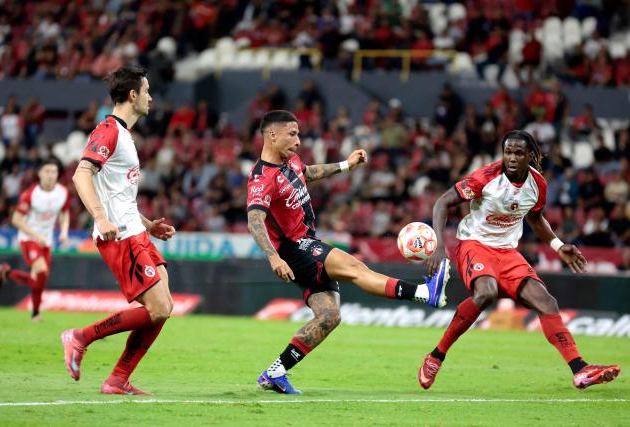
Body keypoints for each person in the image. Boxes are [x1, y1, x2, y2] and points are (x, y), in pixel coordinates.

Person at [247, 110, 451, 394]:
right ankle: (425, 293)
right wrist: (273, 256)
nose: (298, 140)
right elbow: (254, 219)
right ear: (272, 135)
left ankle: (275, 372)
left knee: (329, 317)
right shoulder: (261, 178)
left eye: (298, 133)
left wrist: (346, 165)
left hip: (306, 243)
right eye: (292, 134)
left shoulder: (291, 161)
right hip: (294, 249)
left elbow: (308, 173)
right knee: (356, 269)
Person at [419, 130, 621, 391]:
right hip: (474, 245)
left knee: (547, 302)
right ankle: (436, 356)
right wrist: (438, 245)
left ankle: (580, 369)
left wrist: (558, 245)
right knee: (486, 293)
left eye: (518, 153)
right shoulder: (485, 178)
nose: (512, 157)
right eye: (508, 152)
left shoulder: (538, 184)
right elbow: (442, 203)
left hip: (507, 252)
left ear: (530, 156)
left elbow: (535, 219)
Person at [60, 66, 176, 395]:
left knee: (163, 307)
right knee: (158, 308)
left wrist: (149, 224)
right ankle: (80, 336)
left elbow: (118, 192)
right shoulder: (109, 130)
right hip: (119, 235)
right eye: (147, 90)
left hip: (134, 230)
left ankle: (117, 380)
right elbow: (81, 175)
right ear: (133, 95)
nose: (152, 97)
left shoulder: (124, 135)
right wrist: (100, 217)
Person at [0, 159, 70, 321]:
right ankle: (35, 313)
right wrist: (36, 236)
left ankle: (8, 273)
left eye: (53, 172)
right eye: (47, 171)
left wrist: (64, 232)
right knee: (41, 271)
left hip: (46, 241)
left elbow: (64, 213)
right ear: (40, 174)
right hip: (29, 238)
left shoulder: (62, 192)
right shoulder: (31, 194)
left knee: (39, 279)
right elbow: (16, 219)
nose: (50, 175)